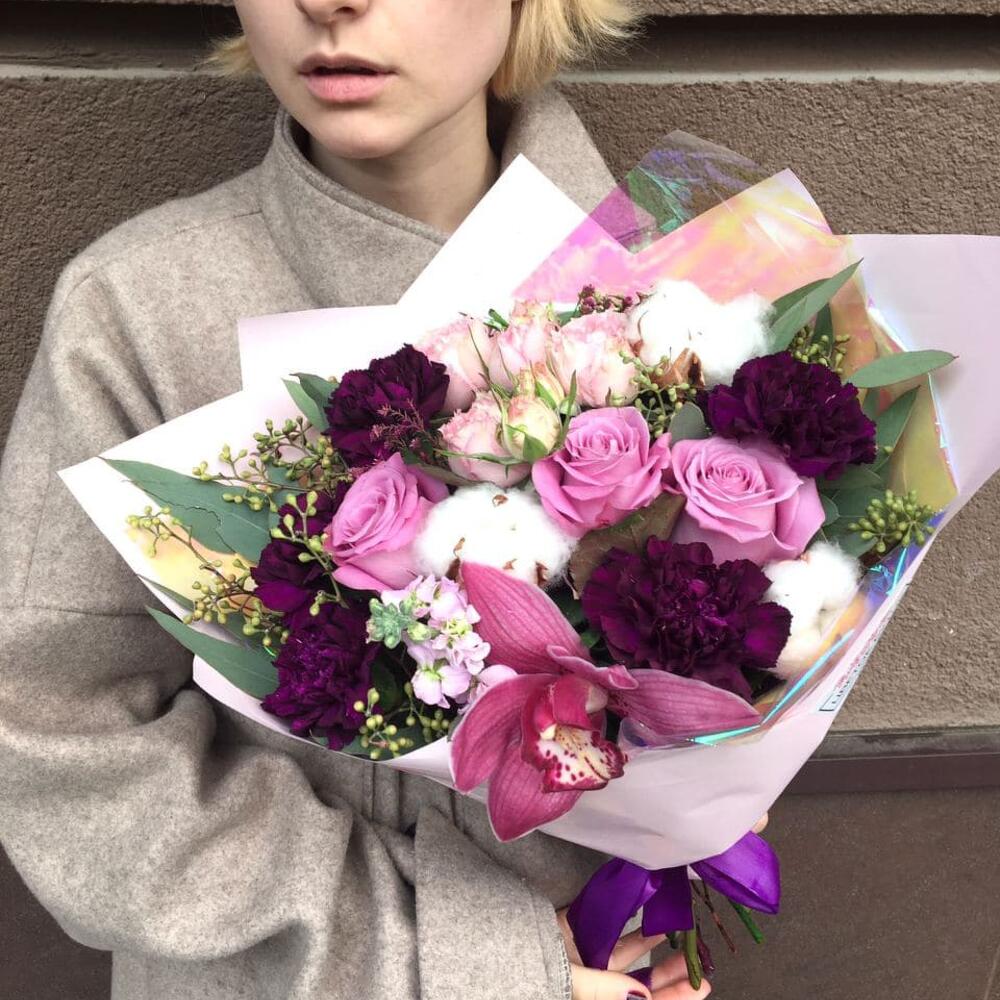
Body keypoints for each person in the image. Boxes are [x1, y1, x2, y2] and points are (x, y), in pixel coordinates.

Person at [0, 2, 712, 998]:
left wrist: (704, 819)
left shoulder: (686, 302)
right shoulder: (138, 312)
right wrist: (458, 963)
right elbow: (54, 741)